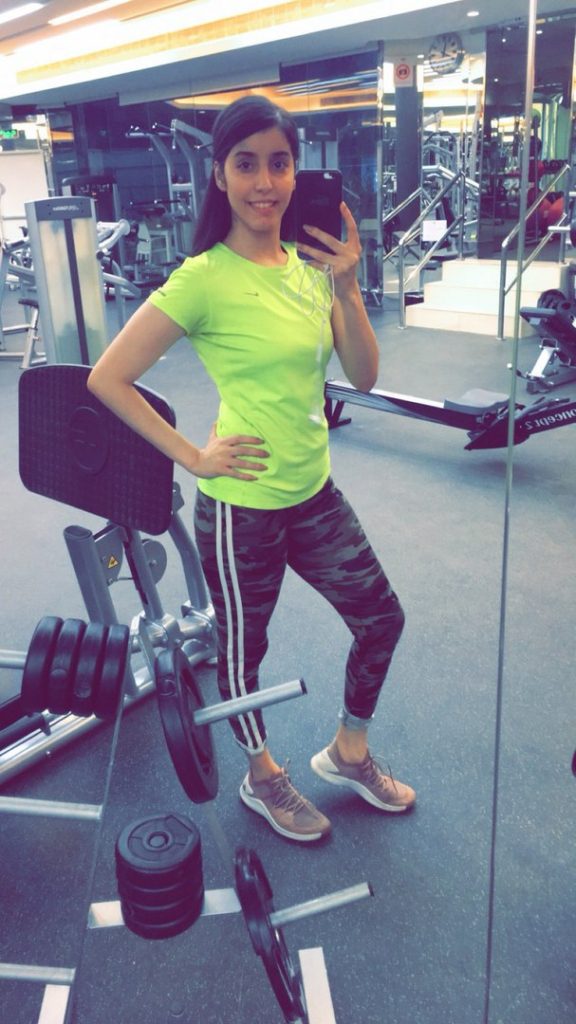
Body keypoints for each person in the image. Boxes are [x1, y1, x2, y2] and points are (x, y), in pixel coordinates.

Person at [87, 94, 415, 843]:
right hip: (242, 504)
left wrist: (348, 284)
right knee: (245, 651)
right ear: (219, 176)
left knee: (382, 619)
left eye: (279, 163)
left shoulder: (310, 269)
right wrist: (194, 456)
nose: (265, 181)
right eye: (246, 164)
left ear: (297, 172)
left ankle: (348, 751)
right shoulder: (203, 277)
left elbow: (362, 376)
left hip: (314, 493)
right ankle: (262, 776)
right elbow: (107, 377)